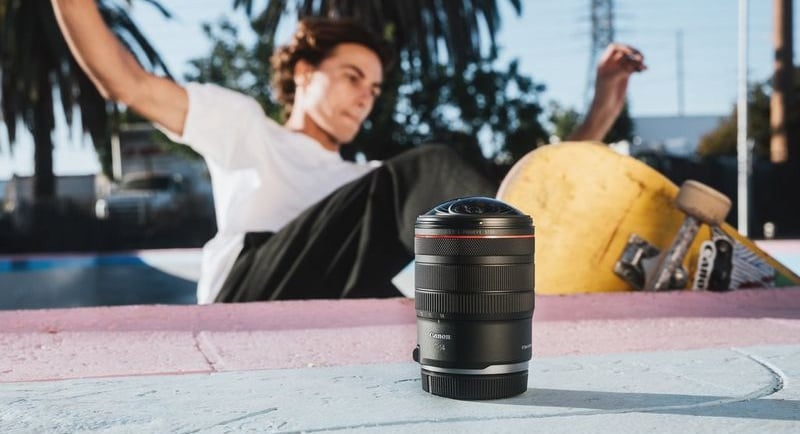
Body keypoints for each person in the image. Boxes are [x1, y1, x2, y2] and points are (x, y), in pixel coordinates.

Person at [52, 0, 646, 304]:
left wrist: (602, 107)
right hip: (247, 296)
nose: (365, 97)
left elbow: (520, 187)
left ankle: (581, 265)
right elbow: (128, 83)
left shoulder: (367, 184)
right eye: (352, 77)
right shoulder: (245, 127)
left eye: (375, 90)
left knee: (418, 278)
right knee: (428, 170)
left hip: (321, 304)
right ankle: (546, 264)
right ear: (304, 73)